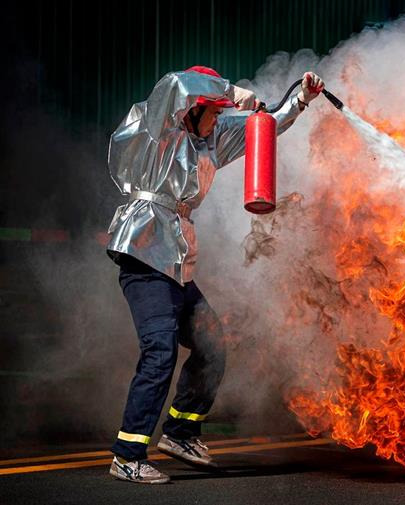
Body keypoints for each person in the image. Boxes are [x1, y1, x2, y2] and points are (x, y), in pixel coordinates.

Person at [105, 65, 324, 484]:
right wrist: (234, 93)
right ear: (193, 108)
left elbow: (266, 126)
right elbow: (175, 85)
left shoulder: (212, 140)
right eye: (216, 110)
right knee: (160, 351)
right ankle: (127, 456)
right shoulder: (158, 129)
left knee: (212, 347)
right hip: (144, 253)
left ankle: (181, 433)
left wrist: (301, 98)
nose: (220, 118)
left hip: (176, 261)